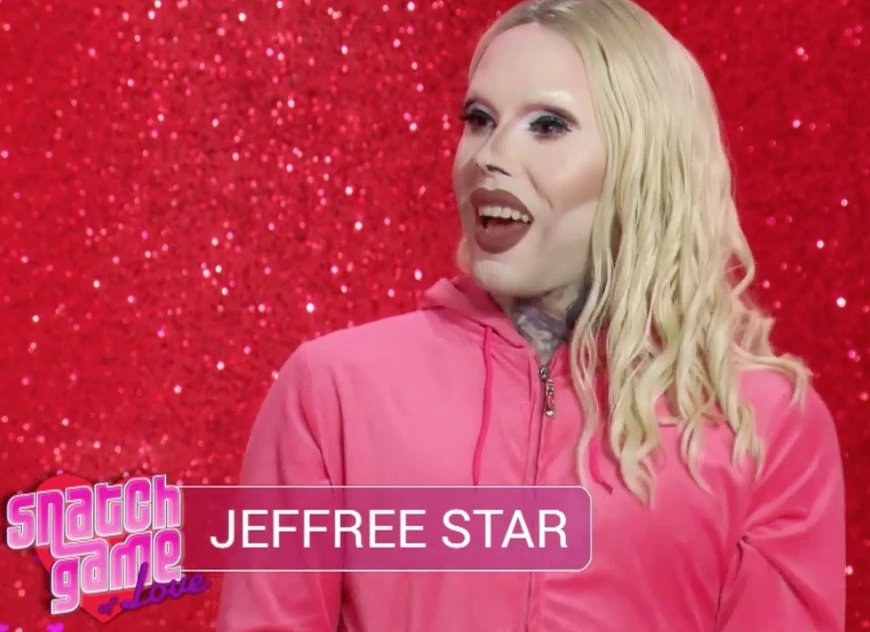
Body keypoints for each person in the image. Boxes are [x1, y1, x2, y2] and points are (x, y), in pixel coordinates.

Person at [217, 0, 846, 629]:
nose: (489, 155)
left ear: (646, 162)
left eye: (548, 125)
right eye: (479, 119)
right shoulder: (335, 389)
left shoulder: (758, 421)